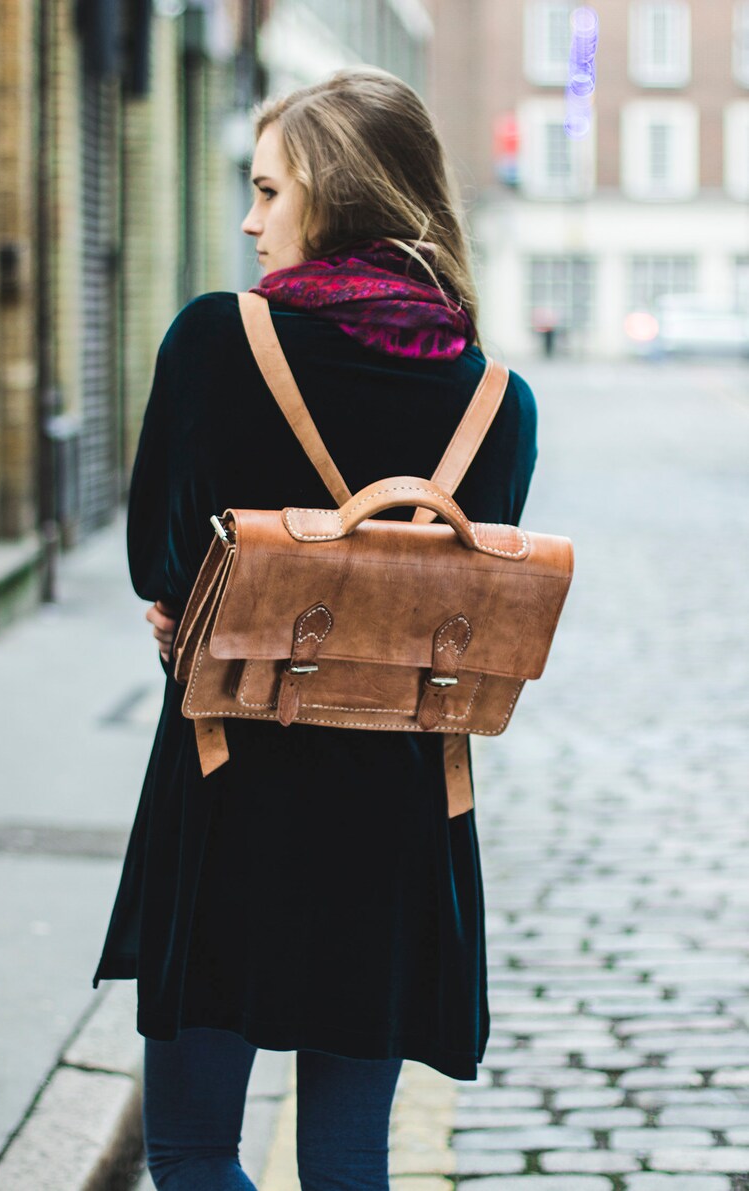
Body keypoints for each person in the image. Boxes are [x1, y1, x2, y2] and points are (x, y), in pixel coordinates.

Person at [92, 67, 538, 1190]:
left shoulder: (213, 341)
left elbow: (160, 562)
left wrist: (197, 604)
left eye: (267, 191)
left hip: (231, 780)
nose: (249, 220)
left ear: (334, 196)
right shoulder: (496, 400)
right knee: (346, 1162)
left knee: (193, 1152)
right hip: (396, 813)